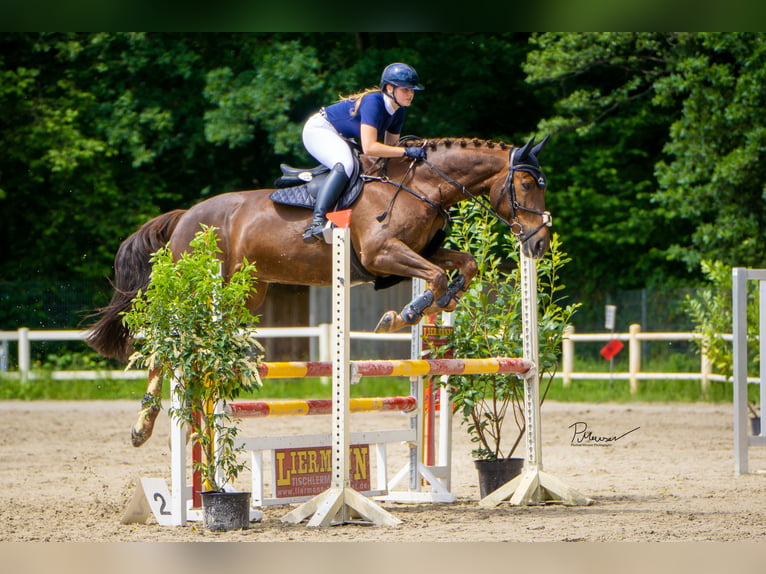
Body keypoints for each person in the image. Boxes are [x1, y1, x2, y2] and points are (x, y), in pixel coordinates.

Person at [300, 62, 427, 242]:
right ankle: (317, 222)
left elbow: (389, 151)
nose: (411, 94)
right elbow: (370, 148)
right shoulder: (373, 102)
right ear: (390, 88)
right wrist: (407, 152)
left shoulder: (399, 112)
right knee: (346, 164)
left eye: (412, 90)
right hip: (320, 130)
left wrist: (409, 156)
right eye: (406, 90)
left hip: (343, 137)